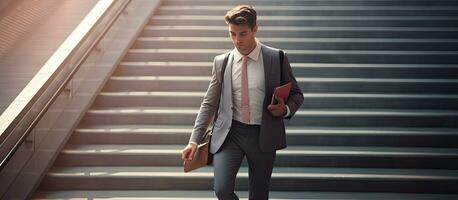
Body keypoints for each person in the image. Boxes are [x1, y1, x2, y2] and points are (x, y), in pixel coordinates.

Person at [181, 5, 304, 200]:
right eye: (232, 34)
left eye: (243, 34)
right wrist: (194, 141)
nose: (237, 40)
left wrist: (285, 109)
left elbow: (297, 94)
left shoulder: (276, 58)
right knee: (222, 189)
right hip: (230, 133)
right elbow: (209, 103)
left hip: (263, 135)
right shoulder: (222, 62)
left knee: (259, 195)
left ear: (255, 29)